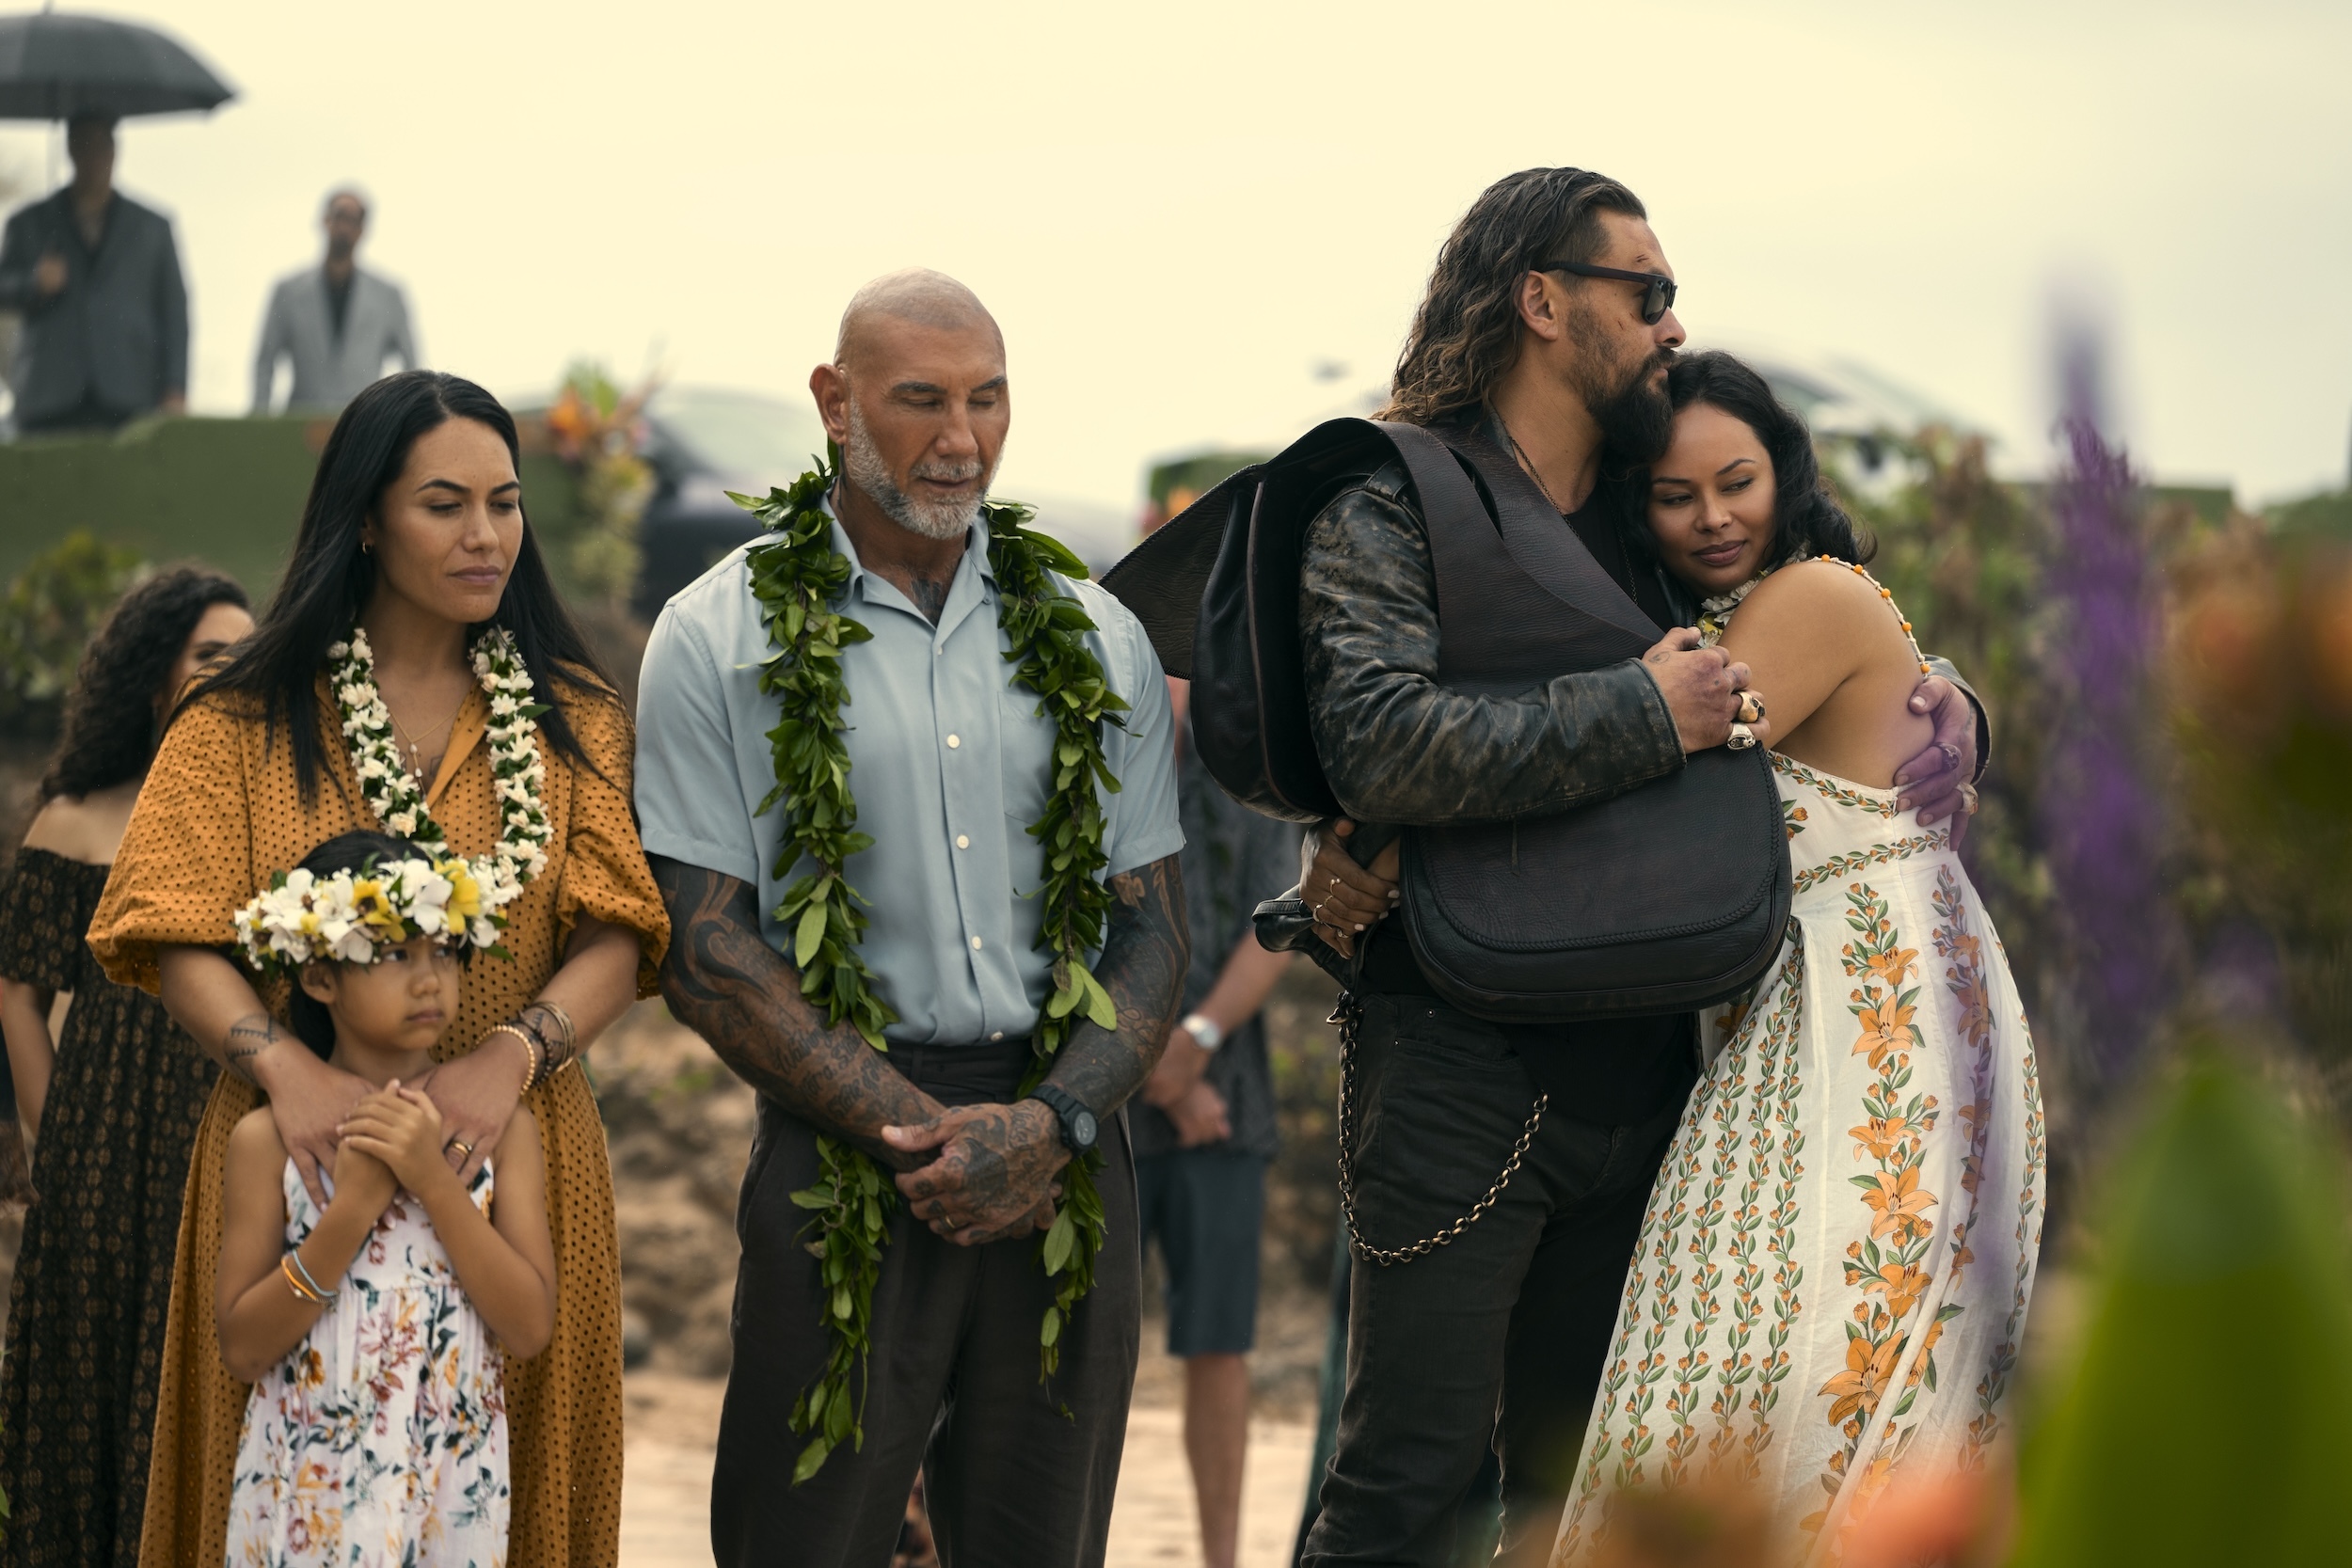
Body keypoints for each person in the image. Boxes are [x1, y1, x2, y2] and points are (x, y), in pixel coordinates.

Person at [1279, 168, 1987, 1568]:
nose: (1671, 326)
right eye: (1646, 293)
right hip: (1455, 1069)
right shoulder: (1390, 492)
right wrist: (1626, 714)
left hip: (1662, 1081)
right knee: (1408, 1490)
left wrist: (1959, 710)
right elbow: (1375, 742)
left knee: (1586, 1497)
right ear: (1545, 300)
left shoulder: (1653, 512)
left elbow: (1829, 631)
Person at [635, 268, 1187, 1566]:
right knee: (802, 1536)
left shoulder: (1094, 633)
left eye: (988, 399)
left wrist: (1048, 1122)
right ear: (835, 403)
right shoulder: (716, 636)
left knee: (1038, 1540)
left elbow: (1153, 929)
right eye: (921, 400)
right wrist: (920, 1132)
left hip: (1065, 1145)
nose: (962, 439)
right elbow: (706, 949)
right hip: (841, 1149)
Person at [88, 369, 668, 1568]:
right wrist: (283, 1074)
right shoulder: (244, 717)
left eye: (505, 503)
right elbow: (167, 919)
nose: (485, 535)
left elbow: (621, 930)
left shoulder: (571, 715)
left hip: (518, 1152)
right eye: (444, 503)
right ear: (364, 518)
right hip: (300, 1153)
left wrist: (508, 1059)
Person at [1548, 352, 2042, 1560]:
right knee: (1751, 1376)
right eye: (1676, 494)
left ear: (1787, 473)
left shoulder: (1809, 596)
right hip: (1806, 1023)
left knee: (1774, 1378)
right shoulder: (1727, 618)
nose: (1714, 515)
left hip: (1872, 1030)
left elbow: (1633, 764)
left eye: (1739, 480)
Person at [0, 567, 252, 1567]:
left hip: (228, 1126)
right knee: (89, 1374)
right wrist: (50, 1132)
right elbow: (17, 988)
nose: (229, 673)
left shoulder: (262, 812)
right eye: (207, 656)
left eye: (244, 656)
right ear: (154, 676)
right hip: (100, 1133)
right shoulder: (76, 816)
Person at [216, 828, 557, 1564]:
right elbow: (242, 1347)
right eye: (395, 953)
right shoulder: (268, 1142)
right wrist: (351, 1209)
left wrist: (435, 1181)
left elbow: (529, 1328)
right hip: (309, 1488)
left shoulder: (500, 1133)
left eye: (444, 950)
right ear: (319, 977)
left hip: (449, 1485)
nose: (430, 978)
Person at [1135, 672, 1299, 1568]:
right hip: (1099, 1108)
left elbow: (1281, 922)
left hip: (1223, 1102)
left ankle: (1223, 1557)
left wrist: (1193, 1048)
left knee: (1219, 1342)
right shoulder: (1087, 767)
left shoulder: (1253, 771)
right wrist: (1156, 1070)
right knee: (1083, 1344)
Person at [0, 115, 188, 434]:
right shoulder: (30, 223)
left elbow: (174, 313)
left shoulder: (153, 227)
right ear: (70, 151)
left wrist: (175, 386)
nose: (93, 159)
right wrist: (35, 283)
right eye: (83, 147)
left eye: (101, 147)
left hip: (130, 396)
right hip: (49, 395)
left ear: (115, 152)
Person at [251, 187, 420, 415]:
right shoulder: (288, 292)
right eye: (340, 216)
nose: (345, 228)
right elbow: (265, 361)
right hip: (301, 424)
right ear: (326, 220)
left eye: (354, 220)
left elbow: (411, 365)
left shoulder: (387, 296)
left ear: (362, 230)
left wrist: (403, 421)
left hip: (363, 422)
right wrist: (261, 422)